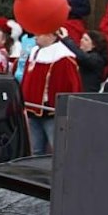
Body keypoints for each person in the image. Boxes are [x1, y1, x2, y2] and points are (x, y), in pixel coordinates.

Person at [20, 28, 79, 156]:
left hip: (51, 114)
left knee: (59, 152)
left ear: (51, 35)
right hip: (32, 110)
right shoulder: (34, 52)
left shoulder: (63, 57)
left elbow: (71, 86)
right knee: (35, 151)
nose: (35, 36)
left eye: (39, 33)